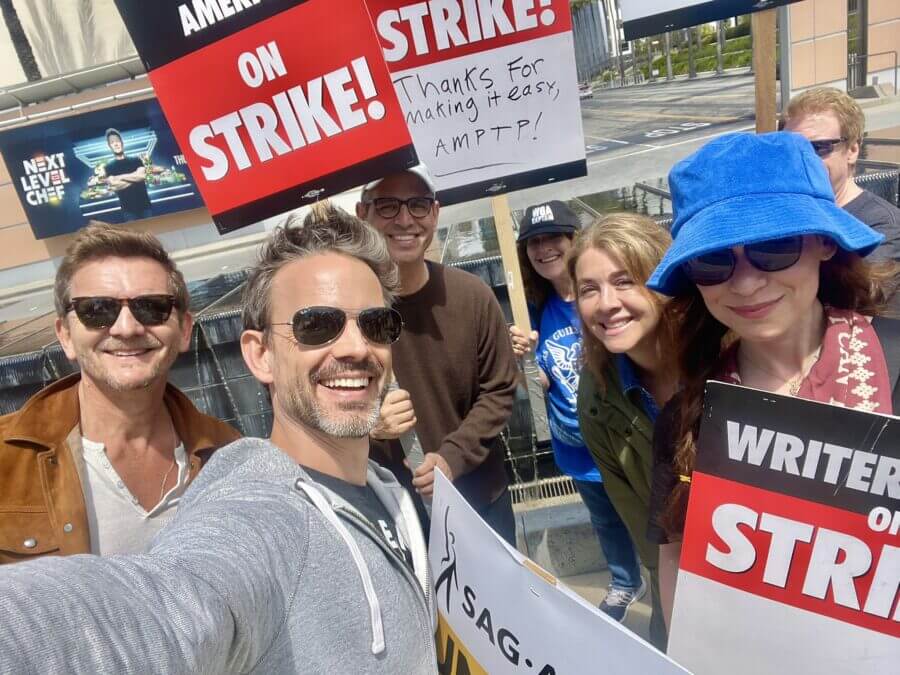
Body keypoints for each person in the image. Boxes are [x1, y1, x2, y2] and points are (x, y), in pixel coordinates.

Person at [0, 203, 437, 673]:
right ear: (260, 354)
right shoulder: (258, 497)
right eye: (317, 325)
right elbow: (172, 603)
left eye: (376, 325)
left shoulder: (219, 448)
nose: (126, 327)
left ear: (184, 328)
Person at [645, 131, 897, 627]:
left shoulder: (896, 361)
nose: (745, 282)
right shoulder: (685, 421)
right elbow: (676, 556)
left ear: (824, 243)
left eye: (774, 246)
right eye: (714, 260)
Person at [0, 222, 239, 564]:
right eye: (97, 310)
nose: (126, 328)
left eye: (152, 307)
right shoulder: (7, 460)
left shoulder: (227, 453)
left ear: (185, 329)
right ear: (65, 334)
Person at [357, 165, 519, 545]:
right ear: (362, 214)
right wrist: (368, 426)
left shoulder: (471, 296)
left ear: (435, 212)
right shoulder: (349, 316)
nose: (405, 220)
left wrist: (452, 457)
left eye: (418, 205)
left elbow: (498, 390)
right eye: (387, 206)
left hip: (480, 500)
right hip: (393, 514)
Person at [508, 201, 647, 623]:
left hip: (626, 440)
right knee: (604, 518)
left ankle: (664, 580)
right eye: (534, 242)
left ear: (575, 239)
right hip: (576, 444)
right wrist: (525, 363)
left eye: (554, 237)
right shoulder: (528, 310)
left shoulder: (606, 299)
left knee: (650, 516)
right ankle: (626, 581)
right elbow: (540, 385)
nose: (545, 249)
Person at [568, 213, 679, 649]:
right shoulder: (594, 397)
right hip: (680, 591)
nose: (606, 303)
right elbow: (649, 542)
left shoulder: (726, 356)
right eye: (588, 290)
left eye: (625, 281)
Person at [781, 87, 900, 262]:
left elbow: (859, 288)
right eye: (790, 149)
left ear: (852, 150)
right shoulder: (783, 212)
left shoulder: (882, 228)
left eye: (818, 148)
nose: (802, 160)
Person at [104, 128, 152, 221]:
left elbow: (142, 176)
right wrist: (135, 177)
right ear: (110, 146)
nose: (116, 143)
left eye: (118, 141)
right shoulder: (109, 167)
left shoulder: (136, 160)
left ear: (122, 143)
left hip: (145, 206)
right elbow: (115, 186)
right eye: (112, 142)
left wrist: (119, 177)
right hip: (128, 210)